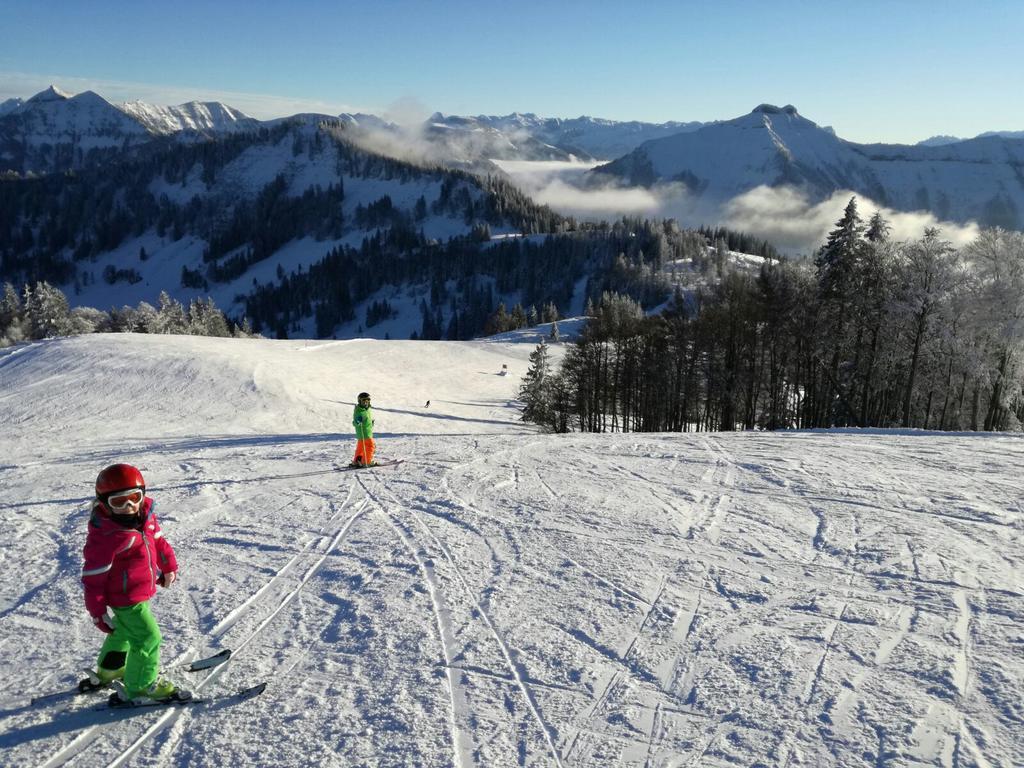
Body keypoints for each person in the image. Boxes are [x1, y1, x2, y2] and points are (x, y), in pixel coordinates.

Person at [81, 463, 190, 705]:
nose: (129, 506)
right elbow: (93, 577)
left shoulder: (146, 518)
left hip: (139, 591)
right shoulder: (107, 536)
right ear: (103, 503)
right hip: (125, 598)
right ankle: (140, 686)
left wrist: (169, 566)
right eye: (119, 502)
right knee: (148, 637)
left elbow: (159, 543)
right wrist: (97, 612)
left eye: (134, 498)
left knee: (122, 632)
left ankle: (110, 669)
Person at [350, 392, 376, 467]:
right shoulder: (359, 411)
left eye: (367, 400)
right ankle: (366, 461)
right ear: (359, 401)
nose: (366, 402)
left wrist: (370, 423)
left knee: (361, 447)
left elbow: (366, 418)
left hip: (365, 432)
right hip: (364, 433)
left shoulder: (367, 409)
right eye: (363, 400)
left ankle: (357, 461)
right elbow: (354, 423)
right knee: (370, 446)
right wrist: (357, 421)